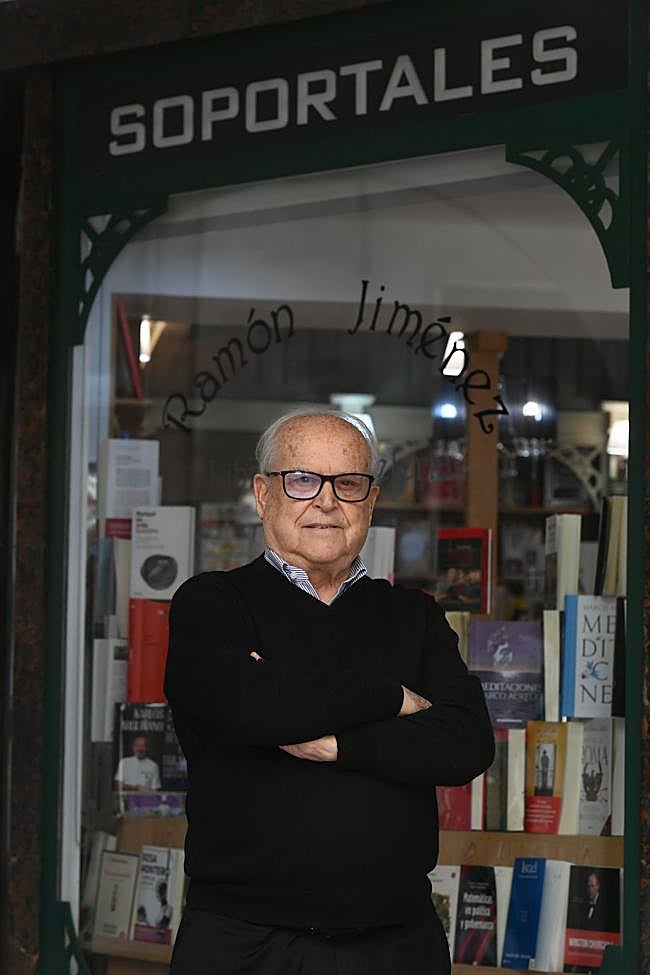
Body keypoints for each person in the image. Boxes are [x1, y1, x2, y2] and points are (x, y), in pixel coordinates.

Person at [165, 409, 495, 975]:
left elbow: (465, 743)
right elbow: (247, 705)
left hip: (397, 944)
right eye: (301, 480)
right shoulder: (213, 603)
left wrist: (341, 744)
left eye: (347, 483)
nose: (325, 501)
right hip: (245, 944)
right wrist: (393, 698)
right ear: (263, 494)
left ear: (370, 501)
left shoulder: (411, 615)